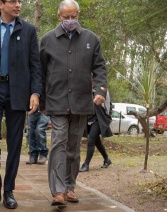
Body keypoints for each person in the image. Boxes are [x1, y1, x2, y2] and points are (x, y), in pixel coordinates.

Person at [40, 0, 108, 207]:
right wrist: (41, 99)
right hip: (57, 100)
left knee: (73, 146)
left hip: (80, 101)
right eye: (66, 17)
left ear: (78, 15)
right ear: (58, 16)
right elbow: (40, 72)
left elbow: (100, 68)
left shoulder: (90, 39)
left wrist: (100, 90)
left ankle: (70, 187)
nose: (70, 20)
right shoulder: (48, 40)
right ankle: (58, 191)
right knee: (59, 142)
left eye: (74, 16)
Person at [0, 0, 42, 209]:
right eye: (13, 1)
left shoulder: (29, 30)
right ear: (1, 4)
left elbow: (35, 65)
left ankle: (9, 189)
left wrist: (35, 92)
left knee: (14, 143)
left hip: (18, 91)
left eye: (20, 1)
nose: (18, 5)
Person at [79, 89, 113, 172]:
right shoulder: (87, 91)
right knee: (96, 141)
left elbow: (108, 107)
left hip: (98, 120)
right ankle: (107, 159)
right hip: (89, 120)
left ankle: (86, 165)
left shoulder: (102, 91)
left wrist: (107, 118)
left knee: (91, 141)